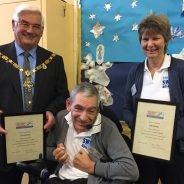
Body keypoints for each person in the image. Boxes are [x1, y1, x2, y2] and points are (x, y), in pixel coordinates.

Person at [0, 3, 69, 184]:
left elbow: (63, 96)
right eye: (24, 24)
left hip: (41, 143)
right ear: (13, 25)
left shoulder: (54, 61)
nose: (30, 30)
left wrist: (52, 111)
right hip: (3, 143)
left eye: (36, 26)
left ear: (42, 31)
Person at [122, 14, 184, 184]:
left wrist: (171, 135)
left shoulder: (180, 70)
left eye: (155, 38)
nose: (150, 44)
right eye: (145, 39)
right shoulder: (135, 72)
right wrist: (139, 125)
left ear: (166, 39)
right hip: (143, 148)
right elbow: (126, 108)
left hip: (175, 149)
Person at [45, 82, 139, 184]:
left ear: (98, 110)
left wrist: (91, 166)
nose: (83, 117)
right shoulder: (61, 119)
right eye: (78, 108)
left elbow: (131, 170)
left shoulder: (107, 128)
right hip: (60, 178)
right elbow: (45, 150)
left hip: (89, 180)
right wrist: (54, 154)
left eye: (91, 111)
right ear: (68, 105)